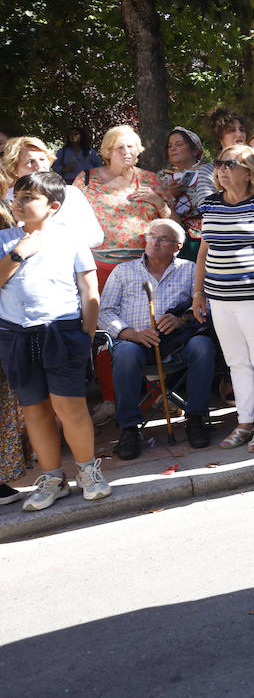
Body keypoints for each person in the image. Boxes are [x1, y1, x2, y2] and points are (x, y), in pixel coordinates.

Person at [0, 172, 107, 510]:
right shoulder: (5, 239)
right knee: (34, 409)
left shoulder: (69, 238)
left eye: (28, 197)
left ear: (53, 206)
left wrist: (86, 333)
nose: (18, 202)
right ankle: (52, 478)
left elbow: (89, 289)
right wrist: (19, 251)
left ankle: (88, 471)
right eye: (16, 195)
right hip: (14, 333)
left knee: (69, 406)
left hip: (61, 331)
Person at [99, 218, 217, 457]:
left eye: (162, 239)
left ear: (178, 246)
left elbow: (210, 305)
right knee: (124, 353)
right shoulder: (124, 270)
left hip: (178, 342)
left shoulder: (191, 269)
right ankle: (129, 429)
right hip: (135, 342)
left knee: (203, 346)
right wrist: (130, 333)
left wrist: (182, 319)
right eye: (151, 236)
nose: (154, 242)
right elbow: (105, 311)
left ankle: (196, 417)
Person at [193, 144, 254, 452]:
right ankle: (244, 421)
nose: (223, 169)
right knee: (236, 363)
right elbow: (204, 250)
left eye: (231, 164)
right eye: (220, 163)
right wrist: (198, 293)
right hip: (219, 299)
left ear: (249, 171)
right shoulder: (211, 203)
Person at [79, 125, 177, 285]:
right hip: (97, 266)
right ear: (108, 152)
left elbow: (175, 224)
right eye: (119, 147)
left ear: (138, 150)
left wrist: (158, 203)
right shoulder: (86, 180)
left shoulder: (151, 180)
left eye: (130, 146)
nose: (126, 151)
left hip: (143, 267)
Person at [1, 137, 103, 249]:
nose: (39, 166)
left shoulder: (71, 194)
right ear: (15, 170)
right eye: (30, 162)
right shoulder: (6, 202)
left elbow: (95, 237)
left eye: (42, 159)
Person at [160, 126, 210, 260]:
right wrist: (168, 194)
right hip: (169, 239)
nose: (173, 148)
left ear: (195, 150)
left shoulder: (209, 173)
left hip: (200, 240)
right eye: (170, 146)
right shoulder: (162, 177)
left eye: (179, 144)